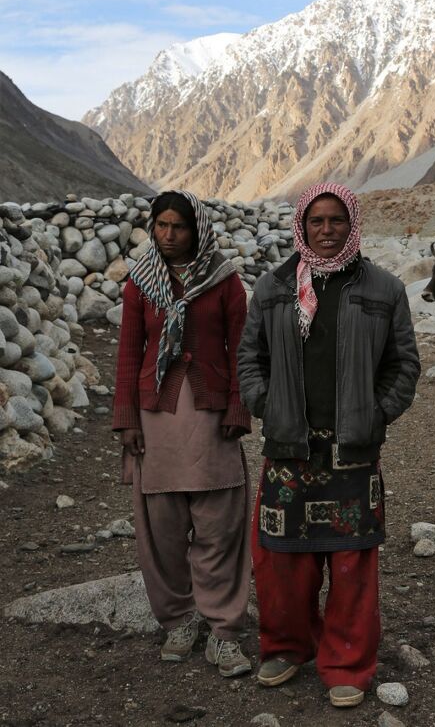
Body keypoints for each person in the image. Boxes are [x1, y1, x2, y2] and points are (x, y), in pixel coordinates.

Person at [237, 182, 420, 707]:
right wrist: (265, 404)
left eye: (336, 220)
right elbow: (251, 358)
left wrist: (376, 413)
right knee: (281, 563)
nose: (325, 230)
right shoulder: (273, 289)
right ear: (302, 225)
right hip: (290, 449)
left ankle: (346, 662)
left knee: (351, 565)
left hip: (352, 453)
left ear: (352, 224)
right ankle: (288, 647)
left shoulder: (383, 290)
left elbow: (403, 364)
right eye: (316, 221)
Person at [112, 190, 252, 675]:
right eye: (161, 225)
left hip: (213, 418)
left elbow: (242, 352)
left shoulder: (225, 282)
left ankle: (224, 631)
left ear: (198, 231)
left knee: (219, 525)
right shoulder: (140, 284)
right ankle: (178, 620)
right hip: (157, 419)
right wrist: (127, 419)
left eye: (179, 227)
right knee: (164, 528)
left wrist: (239, 405)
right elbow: (129, 354)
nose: (168, 235)